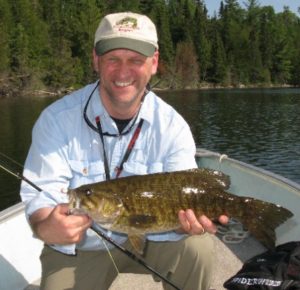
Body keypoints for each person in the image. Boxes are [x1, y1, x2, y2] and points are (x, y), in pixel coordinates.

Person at [20, 12, 228, 290]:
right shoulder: (57, 120)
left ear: (154, 63)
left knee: (198, 248)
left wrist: (186, 223)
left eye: (135, 60)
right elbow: (41, 196)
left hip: (158, 239)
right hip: (85, 246)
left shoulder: (172, 127)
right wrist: (46, 227)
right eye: (112, 59)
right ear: (96, 60)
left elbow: (184, 194)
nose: (123, 72)